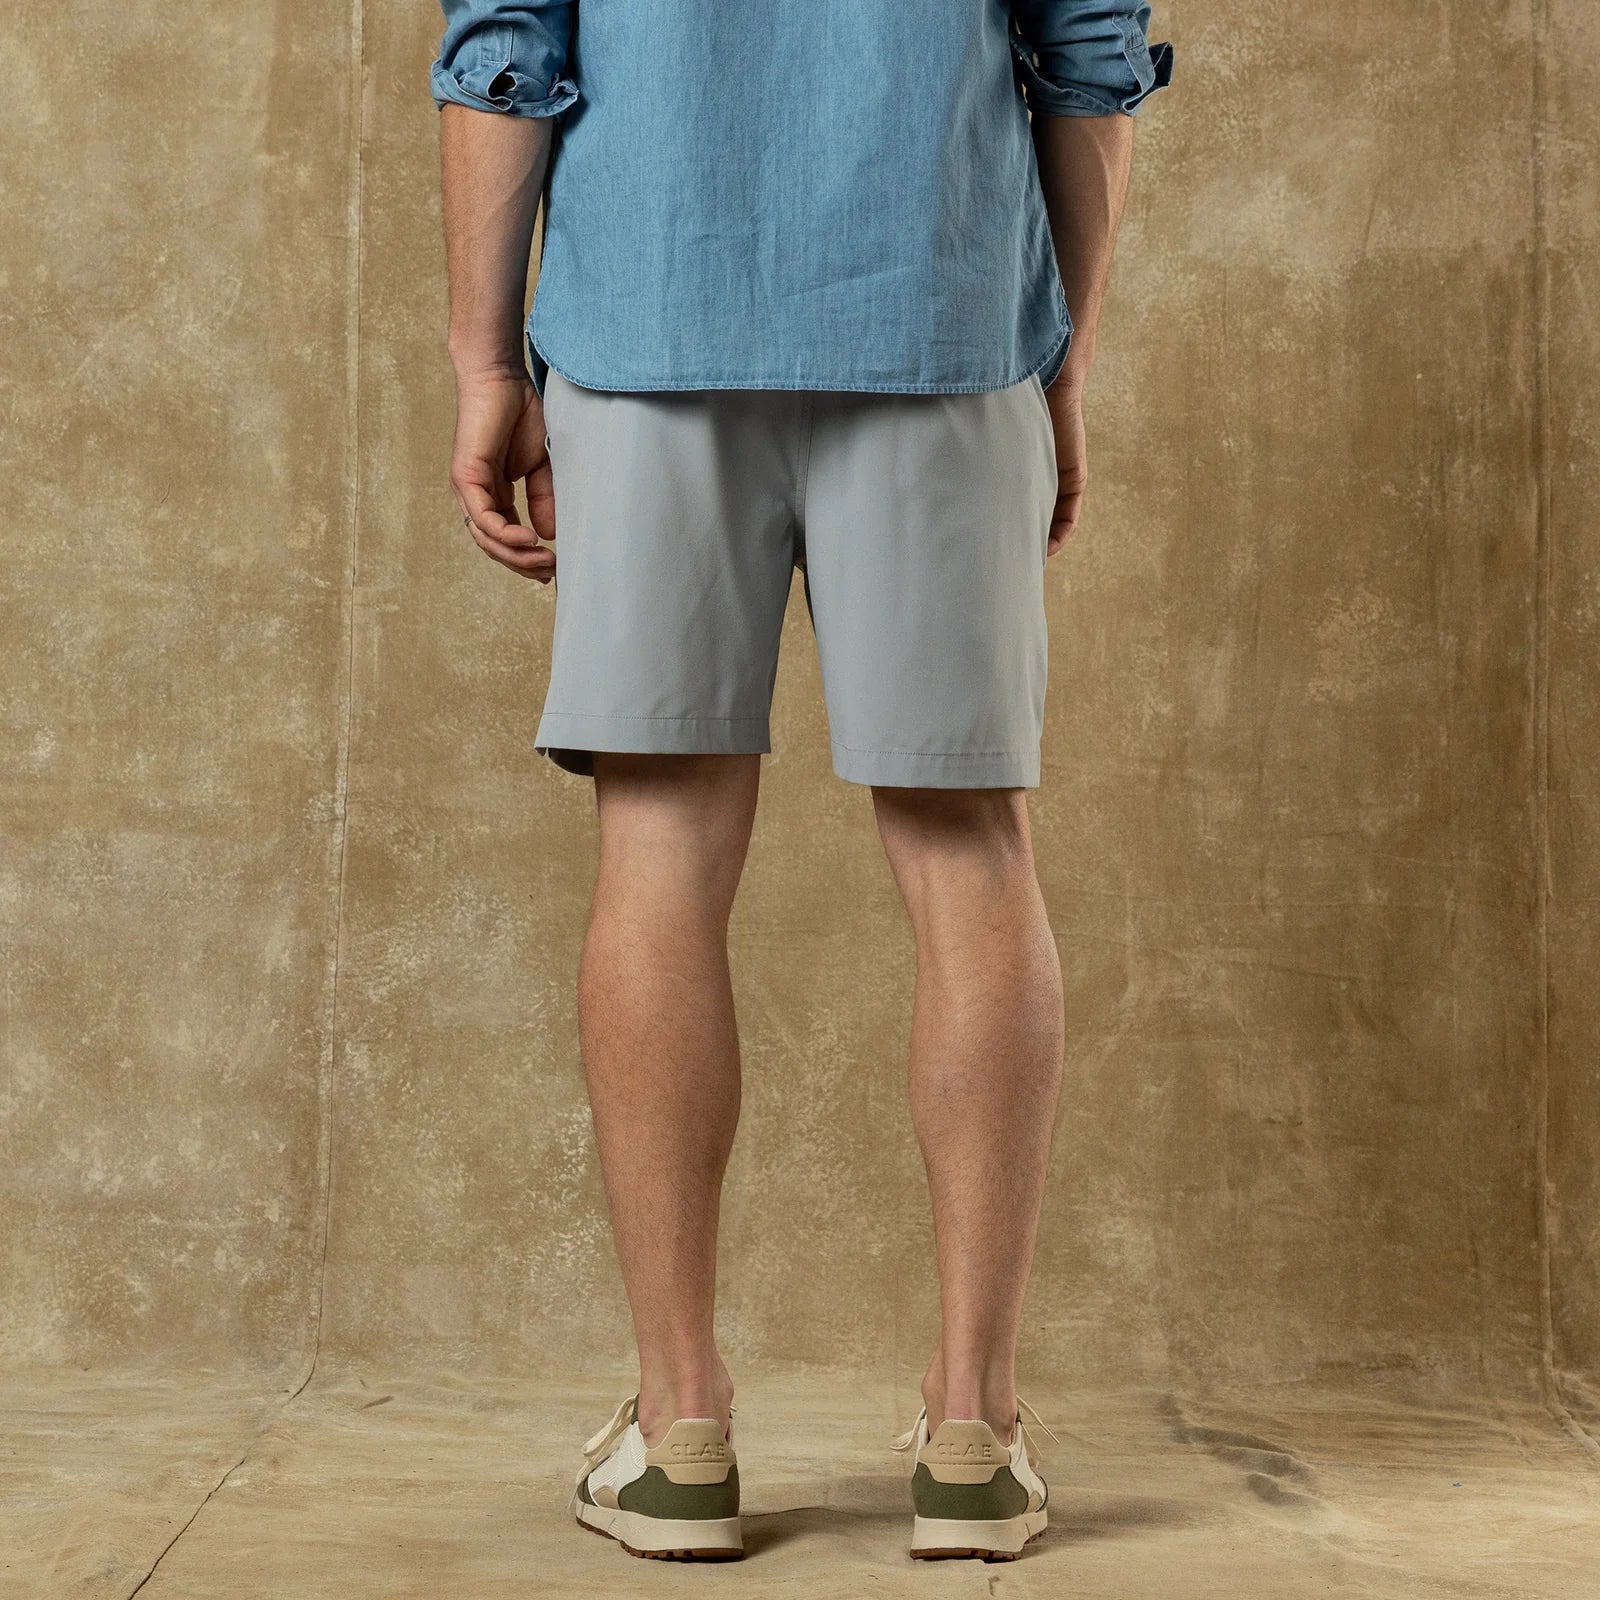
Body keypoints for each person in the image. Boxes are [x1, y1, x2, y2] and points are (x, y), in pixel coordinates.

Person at [431, 0, 1170, 1564]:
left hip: (648, 320)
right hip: (941, 317)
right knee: (969, 850)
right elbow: (1091, 47)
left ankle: (681, 1434)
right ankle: (973, 1435)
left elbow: (503, 42)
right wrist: (1065, 358)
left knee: (659, 848)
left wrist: (483, 362)